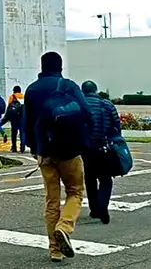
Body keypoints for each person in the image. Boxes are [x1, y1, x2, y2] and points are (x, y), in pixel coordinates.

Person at [24, 51, 92, 262]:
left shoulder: (32, 90)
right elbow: (87, 113)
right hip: (70, 150)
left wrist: (34, 148)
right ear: (60, 67)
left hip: (45, 152)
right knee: (75, 192)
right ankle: (64, 227)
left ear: (42, 67)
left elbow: (25, 123)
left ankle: (55, 250)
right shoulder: (69, 86)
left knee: (52, 200)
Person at [81, 80, 121, 224]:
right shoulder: (107, 104)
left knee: (90, 179)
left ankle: (94, 209)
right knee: (105, 180)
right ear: (96, 90)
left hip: (86, 148)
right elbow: (117, 126)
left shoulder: (79, 104)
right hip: (104, 147)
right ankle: (103, 207)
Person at [2, 85, 26, 153]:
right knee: (22, 133)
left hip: (14, 118)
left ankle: (14, 147)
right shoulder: (24, 97)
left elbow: (9, 107)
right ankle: (22, 148)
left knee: (14, 133)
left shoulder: (12, 97)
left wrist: (6, 117)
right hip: (22, 118)